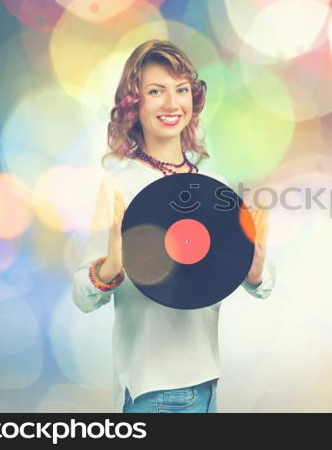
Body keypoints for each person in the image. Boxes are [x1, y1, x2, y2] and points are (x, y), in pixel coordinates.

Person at [71, 39, 274, 413]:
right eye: (155, 91)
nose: (171, 103)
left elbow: (260, 285)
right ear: (135, 104)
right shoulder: (119, 186)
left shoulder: (216, 186)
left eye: (181, 90)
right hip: (153, 391)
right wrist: (109, 269)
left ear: (193, 100)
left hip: (207, 383)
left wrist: (255, 268)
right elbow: (82, 295)